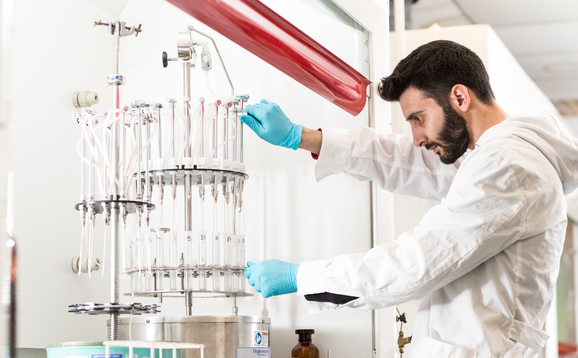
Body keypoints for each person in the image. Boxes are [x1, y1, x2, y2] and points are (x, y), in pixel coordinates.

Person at [240, 40, 578, 357]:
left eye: (418, 118)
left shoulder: (508, 165)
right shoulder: (496, 156)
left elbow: (416, 263)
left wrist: (301, 277)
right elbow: (408, 161)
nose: (417, 138)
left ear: (459, 97)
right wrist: (303, 138)